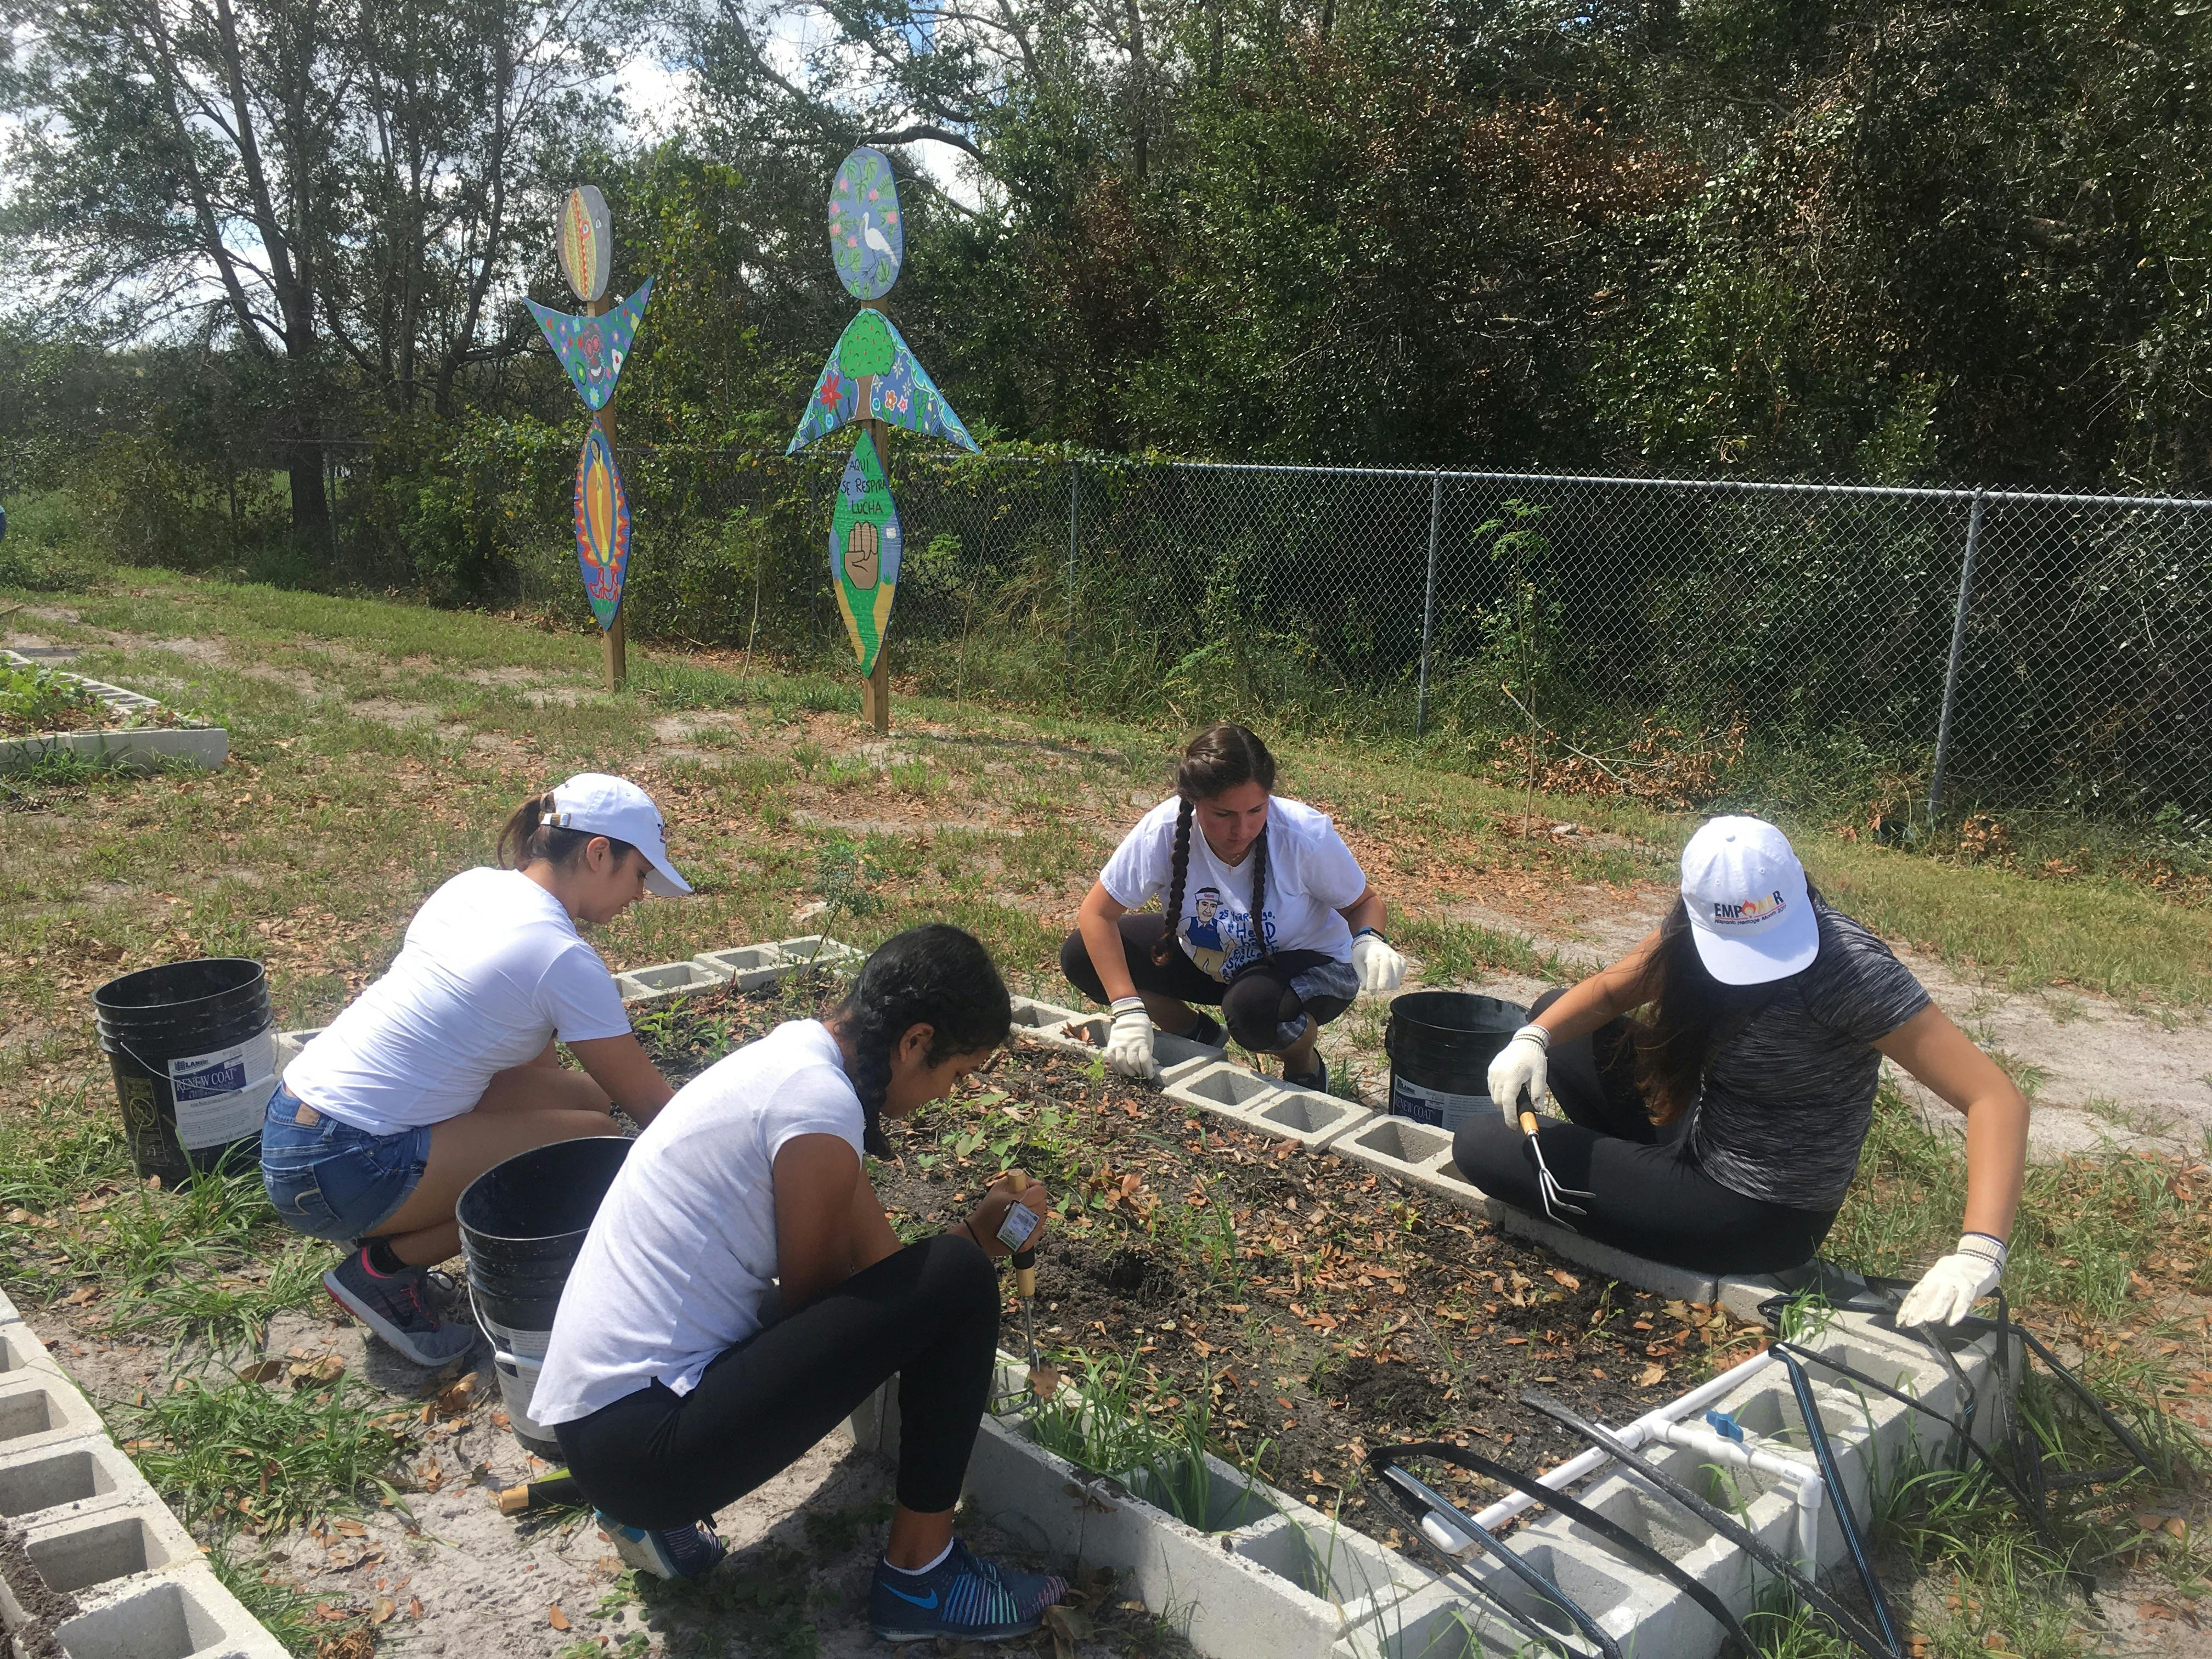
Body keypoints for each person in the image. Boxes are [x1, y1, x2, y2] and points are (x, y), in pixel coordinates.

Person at [531, 925, 1071, 1644]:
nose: (949, 1094)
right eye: (957, 1074)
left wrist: (974, 1240)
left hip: (602, 1428)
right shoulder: (817, 1107)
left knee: (956, 1273)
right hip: (645, 1450)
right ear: (915, 1042)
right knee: (961, 1278)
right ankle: (921, 1576)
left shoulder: (794, 1066)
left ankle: (654, 1514)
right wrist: (970, 1256)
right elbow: (817, 1311)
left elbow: (885, 1287)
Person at [1455, 815, 2028, 1322]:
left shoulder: (1850, 971)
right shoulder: (1694, 928)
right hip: (1707, 1130)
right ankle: (1634, 1188)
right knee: (1556, 1015)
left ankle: (1638, 1197)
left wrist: (1979, 1251)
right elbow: (1609, 993)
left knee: (1480, 1143)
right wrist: (1534, 1038)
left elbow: (1995, 1100)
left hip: (1756, 1211)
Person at [262, 774, 690, 1367]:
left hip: (293, 1123)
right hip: (342, 1164)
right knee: (593, 1144)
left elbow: (526, 1064)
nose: (640, 895)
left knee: (588, 1101)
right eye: (640, 875)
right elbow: (653, 1110)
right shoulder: (560, 956)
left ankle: (394, 1231)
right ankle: (382, 1269)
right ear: (599, 853)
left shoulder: (473, 889)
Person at [1062, 724, 1406, 1092]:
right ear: (1194, 802)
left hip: (1304, 965)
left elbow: (1365, 903)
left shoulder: (1302, 835)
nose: (1242, 829)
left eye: (1256, 810)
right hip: (1214, 959)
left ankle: (1303, 1061)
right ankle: (1194, 1033)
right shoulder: (1164, 830)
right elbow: (1097, 914)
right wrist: (1128, 1009)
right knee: (1083, 955)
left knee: (1252, 1011)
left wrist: (1369, 939)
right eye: (1223, 815)